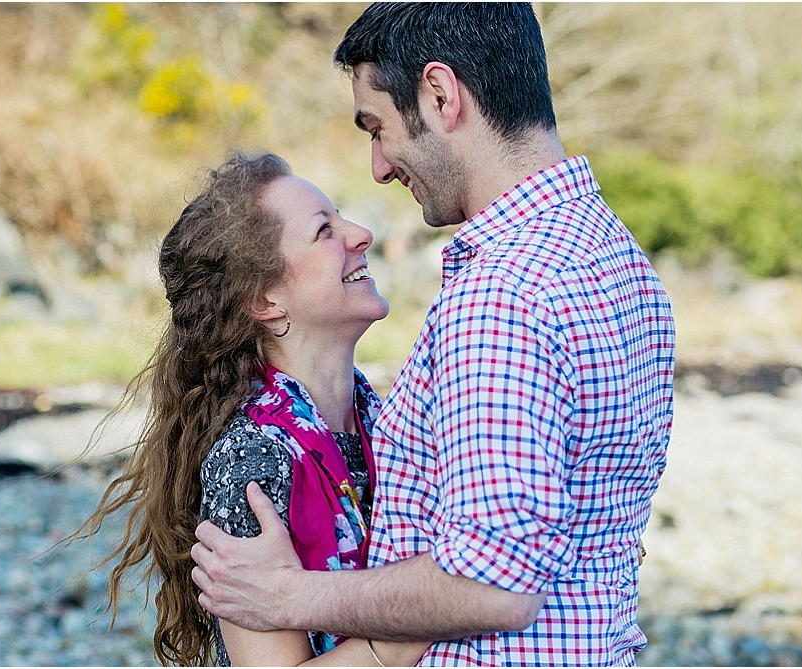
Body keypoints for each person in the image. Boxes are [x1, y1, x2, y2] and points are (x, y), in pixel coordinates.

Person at [190, 4, 675, 665]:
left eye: (379, 127)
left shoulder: (503, 294)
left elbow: (493, 587)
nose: (381, 167)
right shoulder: (613, 255)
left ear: (442, 95)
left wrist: (288, 595)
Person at [78, 152, 428, 666]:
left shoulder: (392, 421)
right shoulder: (253, 462)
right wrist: (417, 627)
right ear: (265, 299)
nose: (360, 235)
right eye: (324, 231)